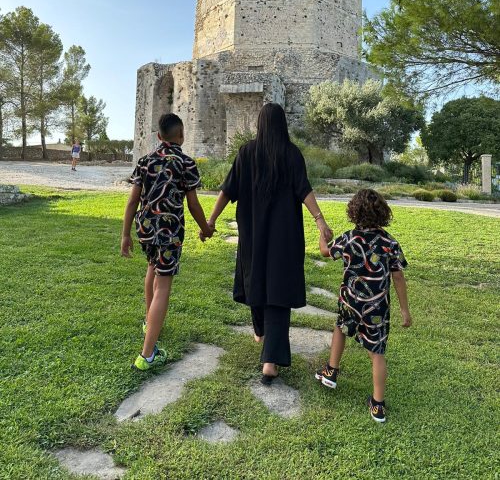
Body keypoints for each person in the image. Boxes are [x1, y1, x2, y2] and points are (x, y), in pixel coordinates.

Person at [203, 103, 333, 384]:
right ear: (282, 124)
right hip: (285, 238)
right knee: (278, 291)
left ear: (259, 124)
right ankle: (269, 359)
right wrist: (320, 222)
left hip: (253, 235)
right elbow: (304, 189)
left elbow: (227, 190)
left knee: (256, 281)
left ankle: (263, 337)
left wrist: (212, 221)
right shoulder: (292, 154)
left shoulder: (247, 152)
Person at [121, 113, 214, 371]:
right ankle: (148, 354)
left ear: (159, 136)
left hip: (146, 229)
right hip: (169, 232)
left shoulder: (145, 162)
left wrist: (126, 234)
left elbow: (132, 201)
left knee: (152, 267)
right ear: (182, 136)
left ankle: (150, 322)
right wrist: (205, 228)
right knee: (163, 285)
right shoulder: (186, 163)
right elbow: (193, 204)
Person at [316, 188, 412, 423]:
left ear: (354, 212)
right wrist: (404, 310)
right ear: (383, 214)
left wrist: (323, 235)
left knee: (340, 327)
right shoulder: (390, 243)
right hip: (376, 308)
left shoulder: (349, 238)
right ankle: (377, 405)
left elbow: (325, 251)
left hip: (350, 301)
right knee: (377, 353)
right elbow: (398, 277)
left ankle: (331, 371)